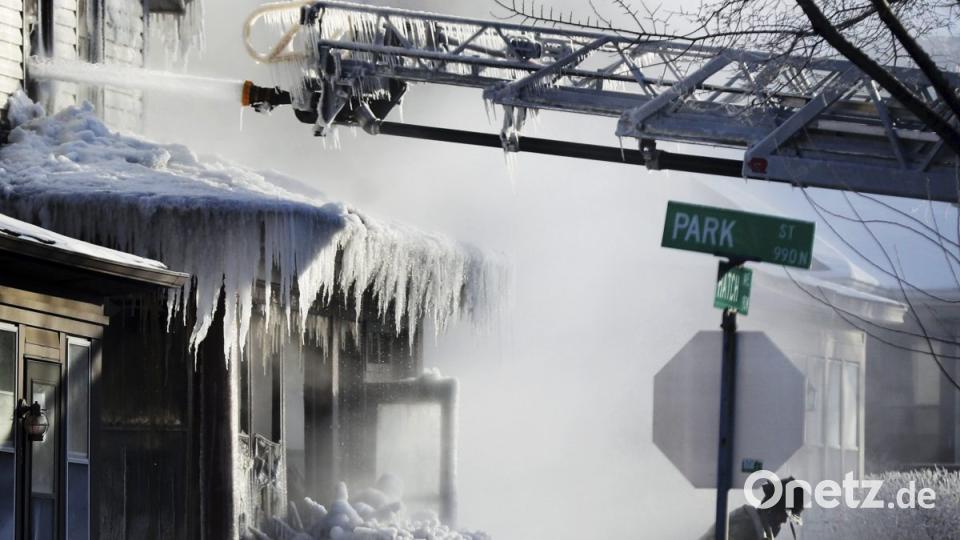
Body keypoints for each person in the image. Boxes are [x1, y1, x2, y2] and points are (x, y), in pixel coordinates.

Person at [699, 476, 806, 540]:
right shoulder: (745, 525)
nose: (783, 521)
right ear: (772, 508)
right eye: (784, 514)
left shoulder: (754, 526)